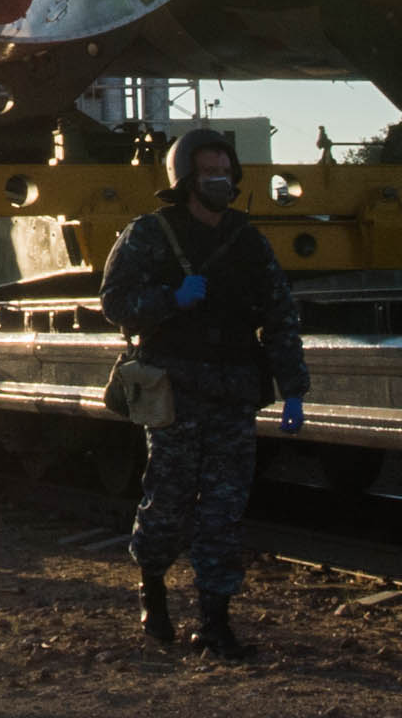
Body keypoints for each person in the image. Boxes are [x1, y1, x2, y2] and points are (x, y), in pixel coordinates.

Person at [99, 127, 308, 662]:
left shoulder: (248, 239)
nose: (221, 179)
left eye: (225, 170)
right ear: (186, 178)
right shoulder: (151, 233)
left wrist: (293, 389)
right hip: (176, 389)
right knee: (167, 499)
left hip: (235, 391)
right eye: (209, 171)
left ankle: (215, 623)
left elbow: (280, 316)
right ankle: (153, 589)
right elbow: (116, 301)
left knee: (224, 508)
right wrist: (170, 298)